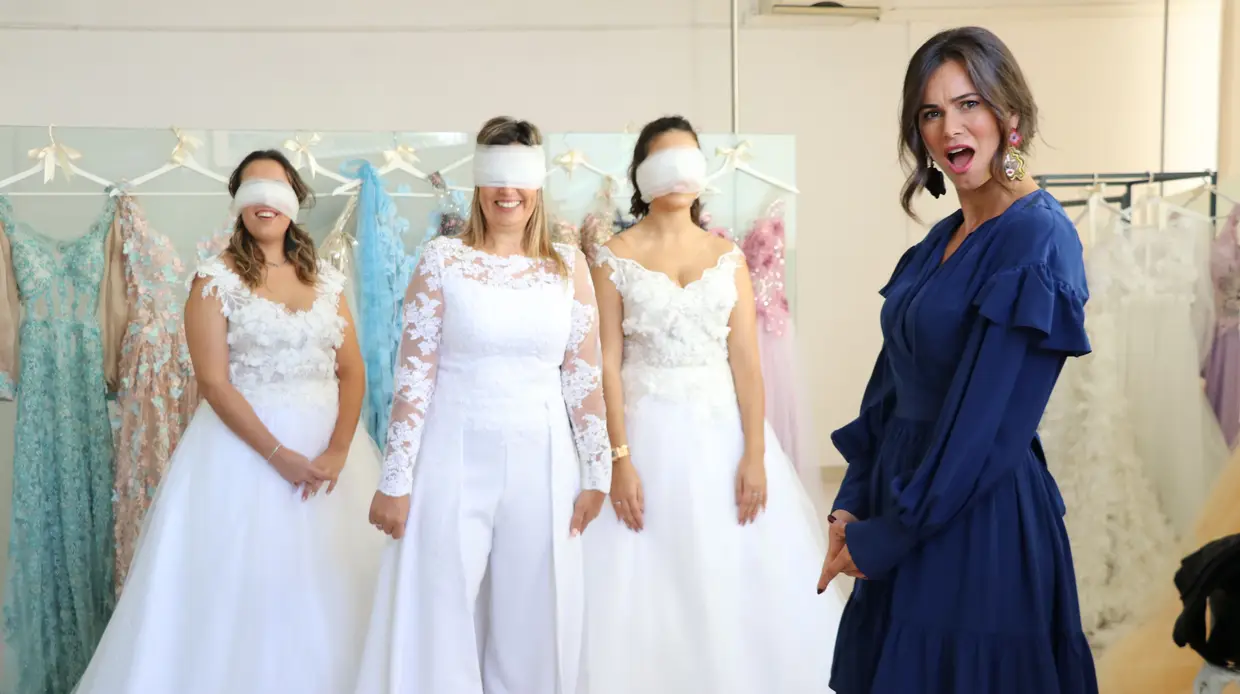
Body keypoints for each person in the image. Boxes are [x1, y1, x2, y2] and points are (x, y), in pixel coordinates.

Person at [817, 26, 1099, 693]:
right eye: (931, 112)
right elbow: (889, 390)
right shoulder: (936, 243)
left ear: (1010, 114)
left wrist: (892, 534)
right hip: (904, 501)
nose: (950, 127)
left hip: (978, 520)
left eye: (969, 104)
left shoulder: (1037, 237)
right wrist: (852, 504)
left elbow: (987, 427)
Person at [70, 150, 385, 694]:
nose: (265, 201)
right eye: (251, 189)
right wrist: (279, 457)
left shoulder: (327, 282)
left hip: (332, 456)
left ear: (296, 201)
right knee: (242, 595)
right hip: (245, 456)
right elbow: (214, 383)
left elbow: (352, 370)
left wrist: (337, 451)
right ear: (238, 202)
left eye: (277, 188)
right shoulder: (213, 280)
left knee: (336, 586)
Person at [583, 115, 844, 693]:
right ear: (641, 174)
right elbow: (606, 366)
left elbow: (747, 364)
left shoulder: (729, 258)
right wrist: (619, 460)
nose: (678, 175)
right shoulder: (611, 257)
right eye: (664, 161)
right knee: (647, 584)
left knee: (734, 579)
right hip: (644, 441)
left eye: (689, 161)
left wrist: (755, 454)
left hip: (723, 440)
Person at [353, 116, 610, 694]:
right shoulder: (442, 259)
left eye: (518, 177)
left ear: (537, 183)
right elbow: (414, 376)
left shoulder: (568, 265)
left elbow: (583, 374)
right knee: (439, 600)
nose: (507, 191)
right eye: (495, 176)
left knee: (536, 612)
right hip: (453, 449)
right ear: (477, 183)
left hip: (543, 456)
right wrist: (395, 479)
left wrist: (599, 471)